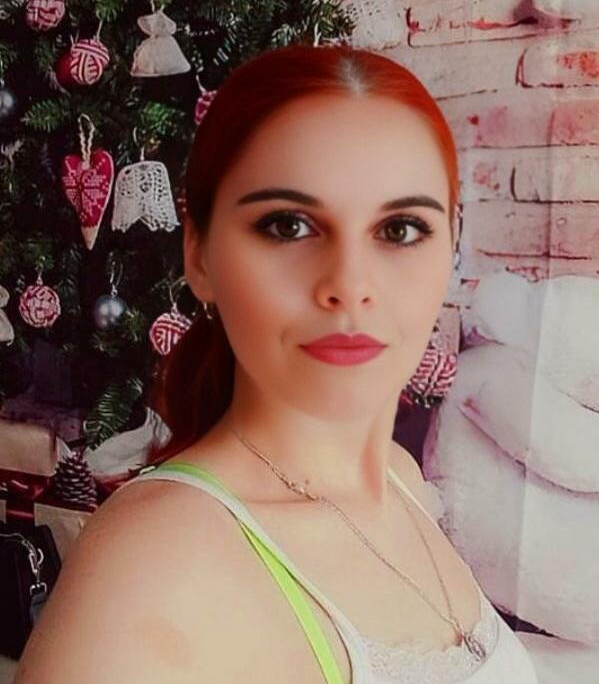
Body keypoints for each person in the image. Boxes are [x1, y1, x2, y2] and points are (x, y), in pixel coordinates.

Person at [15, 45, 539, 683]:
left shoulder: (400, 479)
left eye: (401, 229)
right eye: (288, 226)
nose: (350, 285)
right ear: (199, 255)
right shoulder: (157, 564)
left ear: (450, 244)